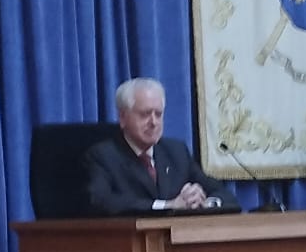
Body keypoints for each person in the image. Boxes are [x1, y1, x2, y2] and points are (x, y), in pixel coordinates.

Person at [85, 78, 233, 215]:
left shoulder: (176, 152)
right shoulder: (103, 156)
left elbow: (223, 194)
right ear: (123, 118)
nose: (154, 122)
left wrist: (205, 202)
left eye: (158, 114)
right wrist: (167, 205)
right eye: (145, 114)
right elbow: (101, 201)